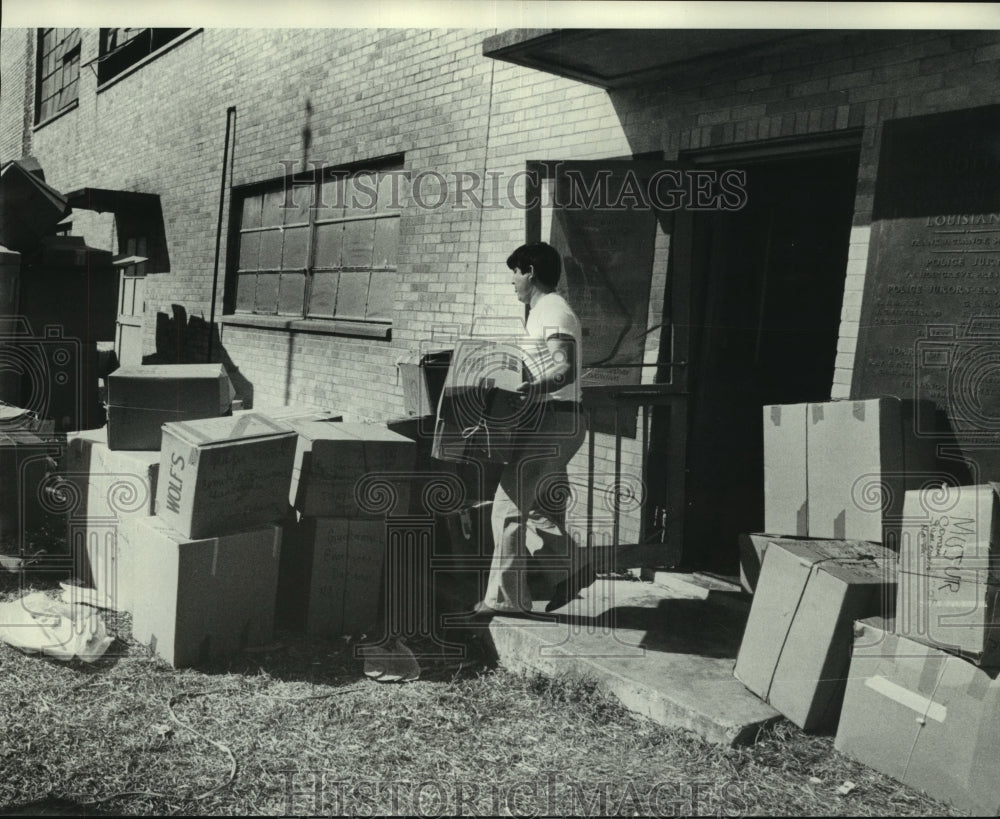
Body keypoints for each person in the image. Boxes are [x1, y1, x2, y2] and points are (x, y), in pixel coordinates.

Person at [476, 241, 588, 616]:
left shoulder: (552, 309)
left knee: (506, 510)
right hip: (554, 419)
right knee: (537, 506)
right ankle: (572, 568)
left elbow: (564, 367)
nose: (512, 282)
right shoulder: (542, 311)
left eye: (515, 272)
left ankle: (507, 601)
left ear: (530, 272)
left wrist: (533, 387)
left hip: (554, 419)